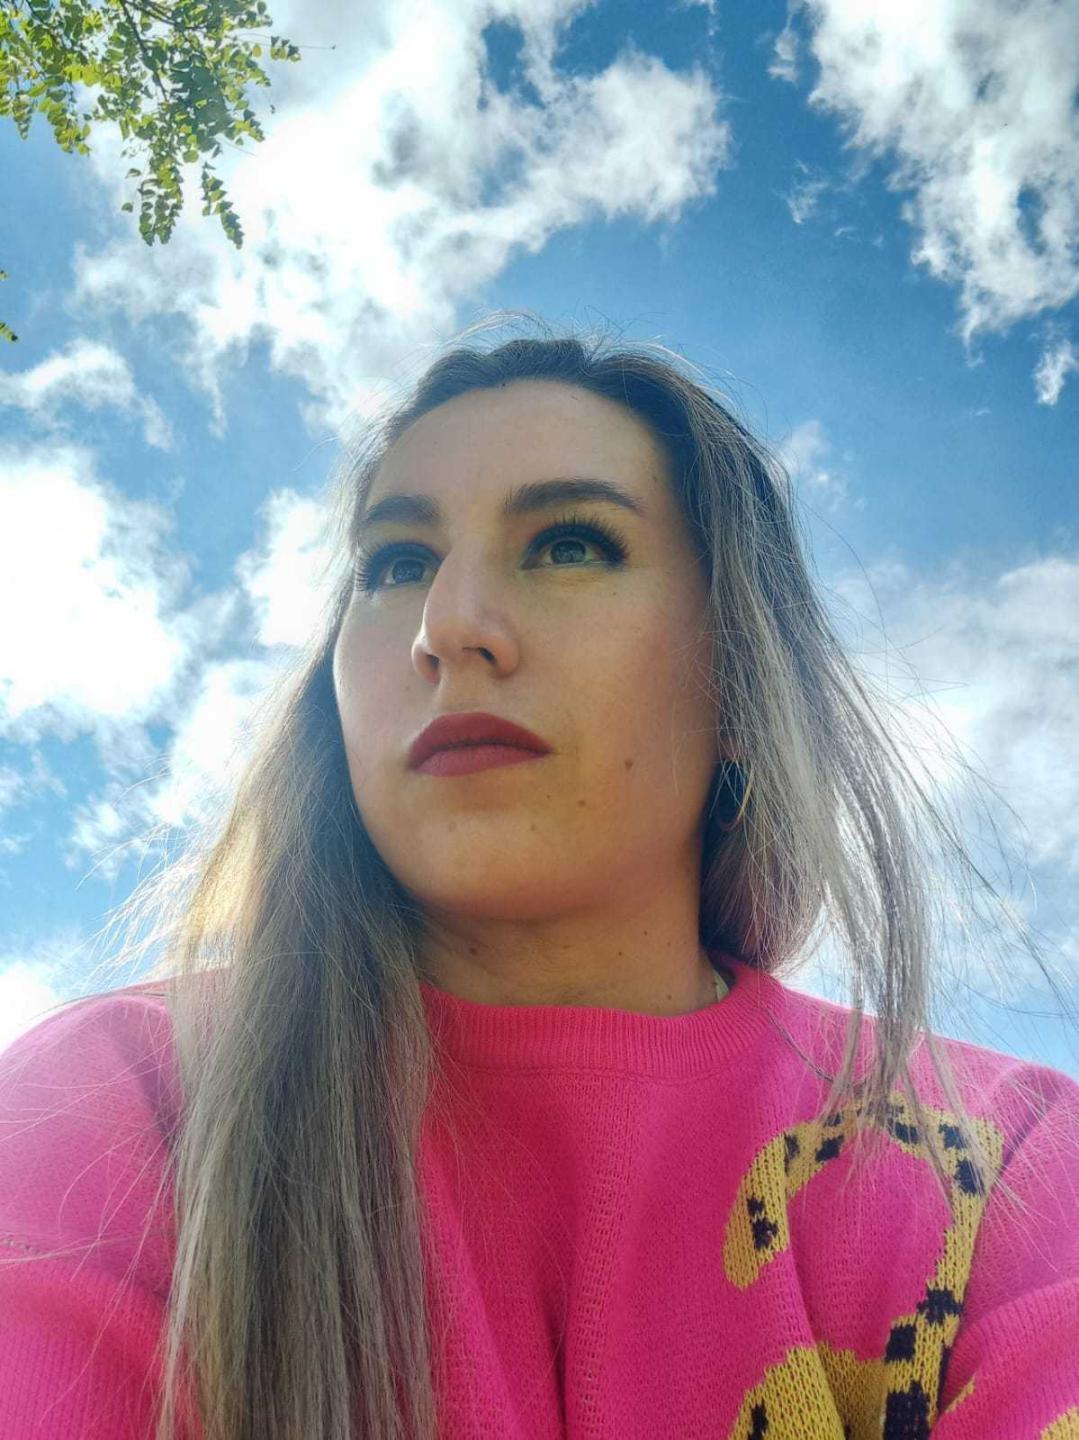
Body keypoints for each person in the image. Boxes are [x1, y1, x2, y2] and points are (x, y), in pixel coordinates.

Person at [1, 320, 1077, 1439]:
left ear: (740, 675)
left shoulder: (1007, 1169)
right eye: (395, 563)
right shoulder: (124, 1101)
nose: (446, 627)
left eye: (569, 544)